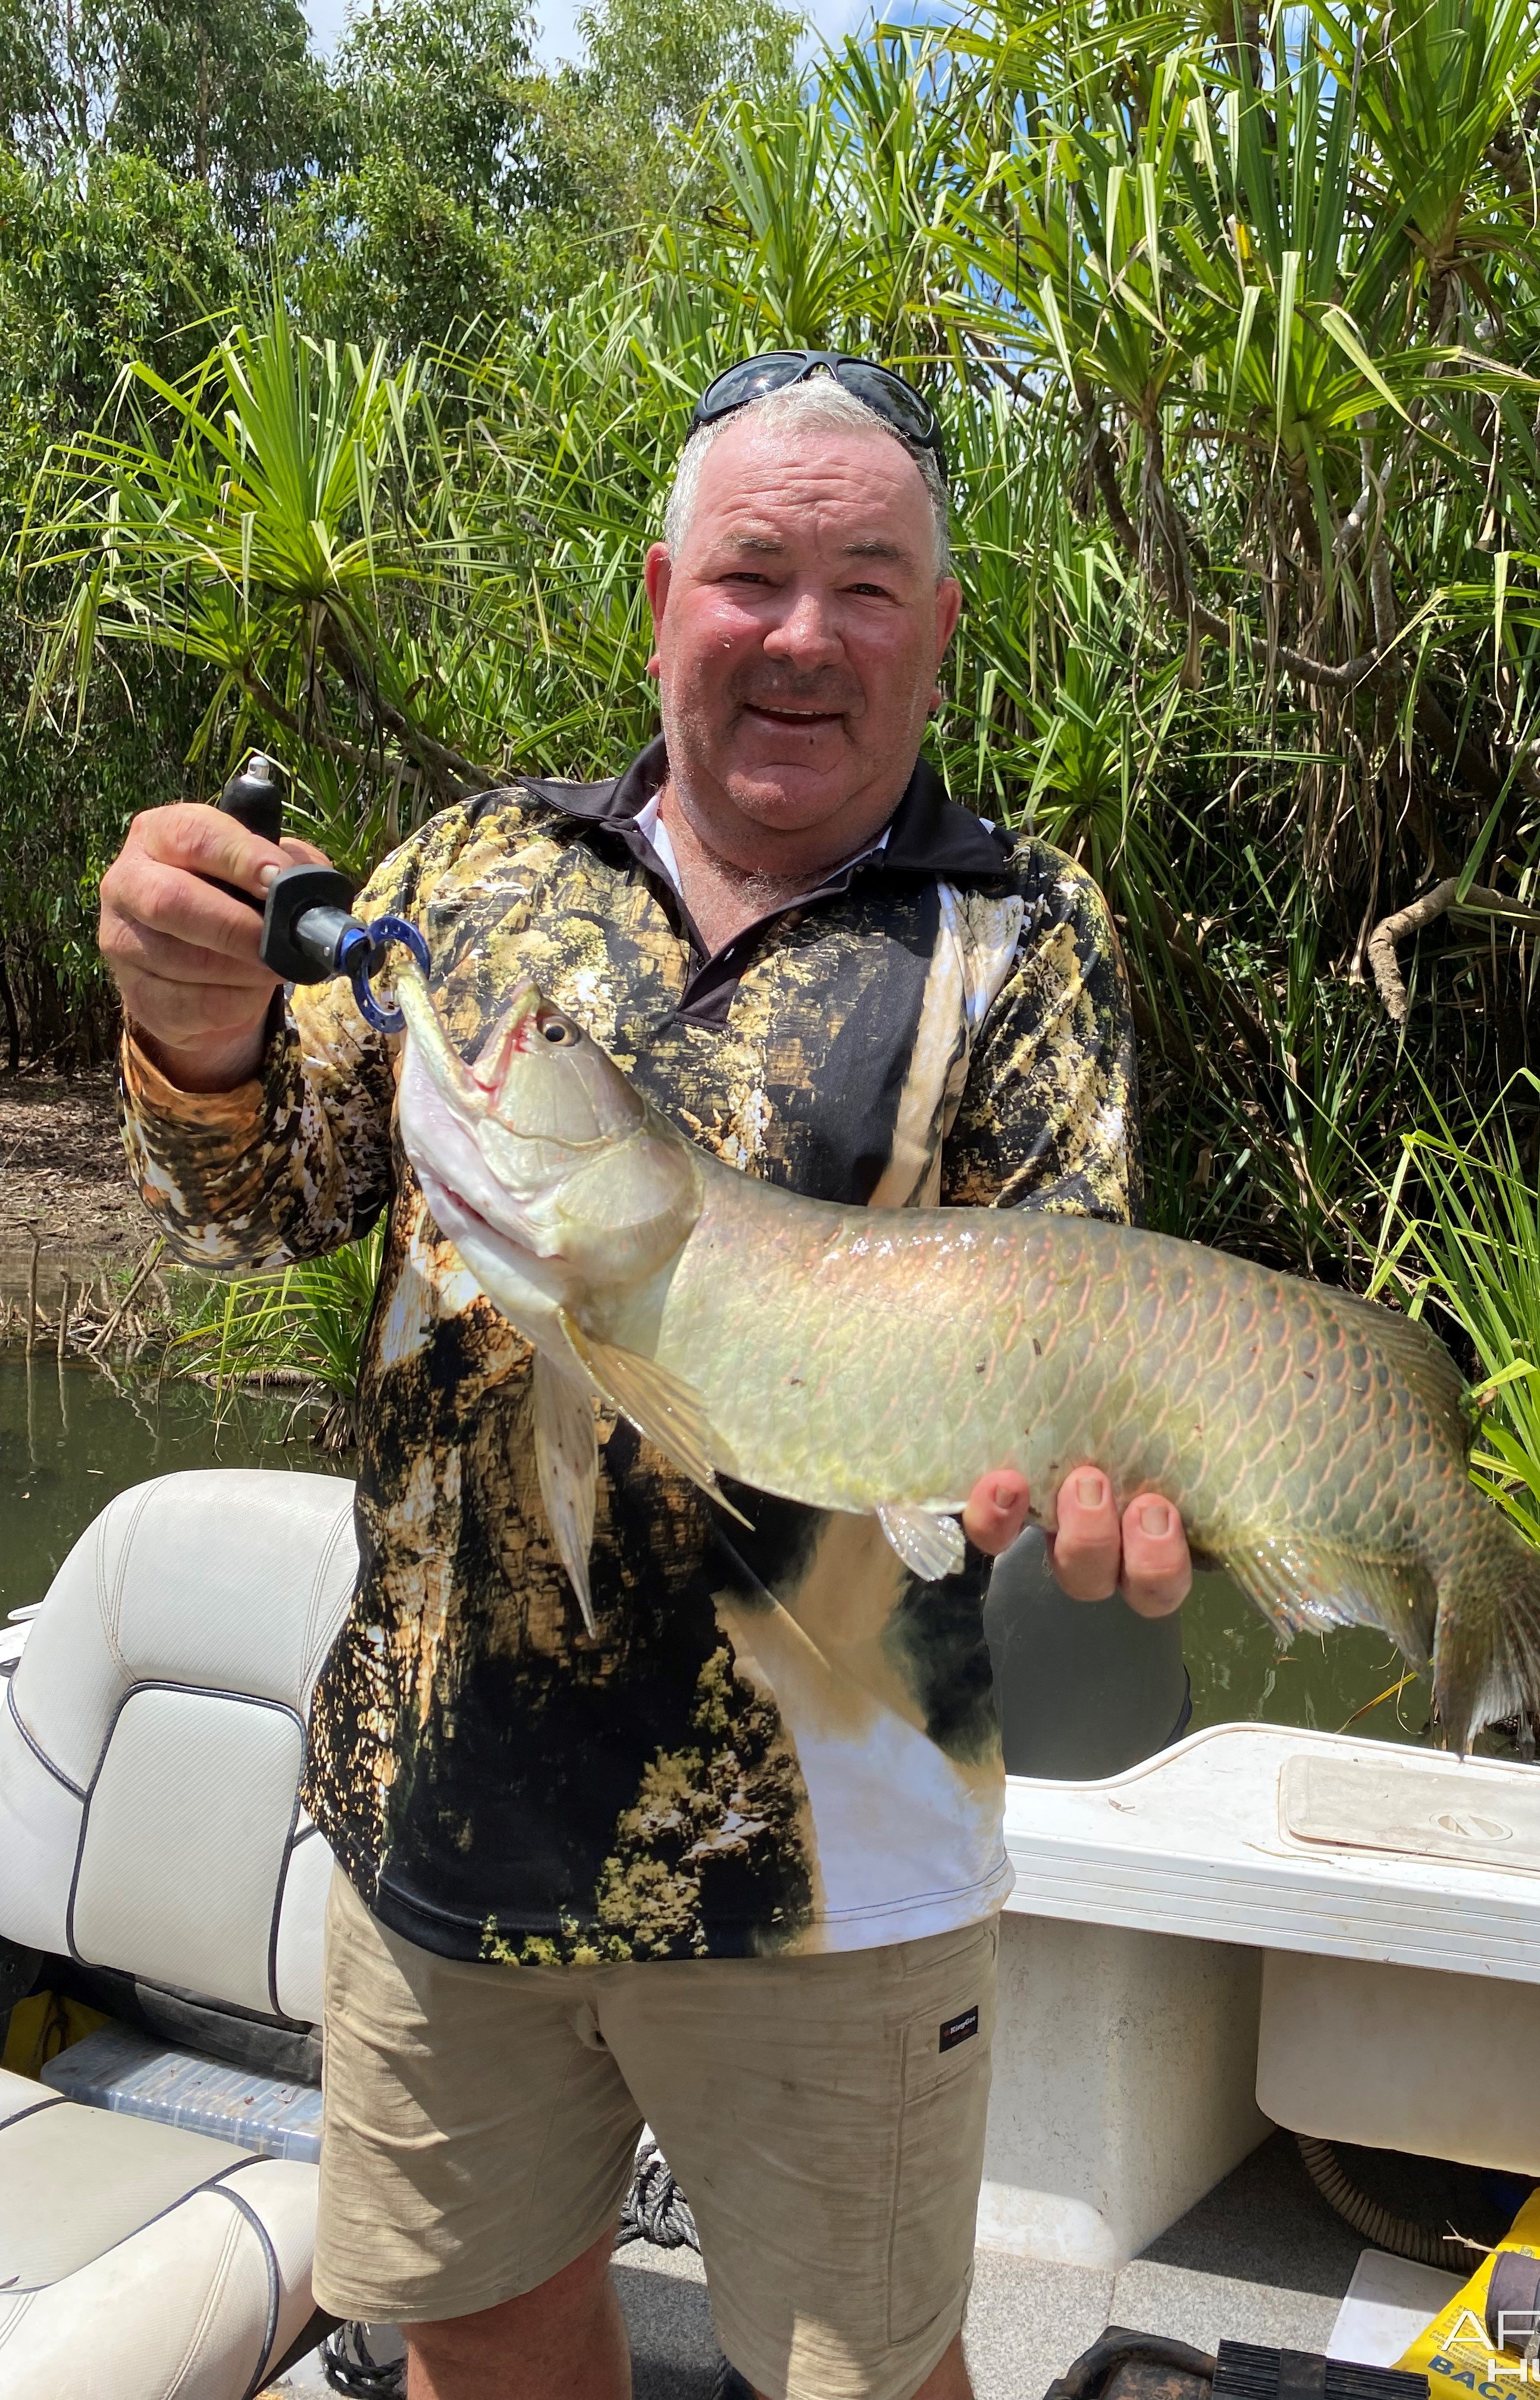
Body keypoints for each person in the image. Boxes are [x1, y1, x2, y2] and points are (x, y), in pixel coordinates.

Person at [98, 352, 1192, 2400]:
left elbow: (1070, 1356)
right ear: (661, 588)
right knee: (482, 2328)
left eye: (869, 585)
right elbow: (269, 1195)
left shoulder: (1022, 946)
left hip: (827, 1883)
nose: (805, 636)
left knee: (867, 2374)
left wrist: (1105, 1527)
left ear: (943, 628)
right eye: (754, 575)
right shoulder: (476, 876)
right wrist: (198, 1032)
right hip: (441, 1818)